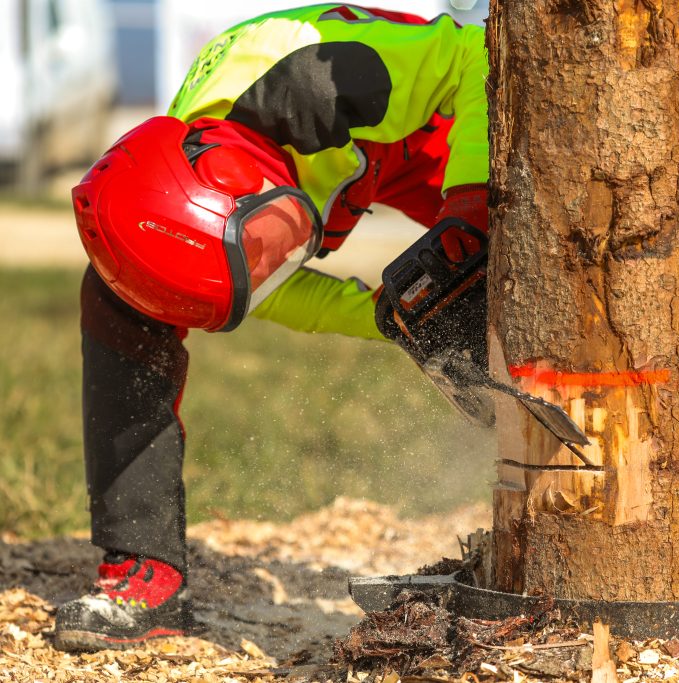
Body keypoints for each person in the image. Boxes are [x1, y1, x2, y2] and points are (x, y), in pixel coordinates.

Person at [55, 4, 488, 652]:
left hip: (431, 115)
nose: (275, 270)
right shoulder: (192, 201)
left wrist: (471, 210)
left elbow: (476, 52)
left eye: (270, 253)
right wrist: (381, 317)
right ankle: (141, 570)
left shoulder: (331, 81)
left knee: (516, 254)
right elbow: (259, 286)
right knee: (120, 296)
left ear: (230, 183)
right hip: (330, 165)